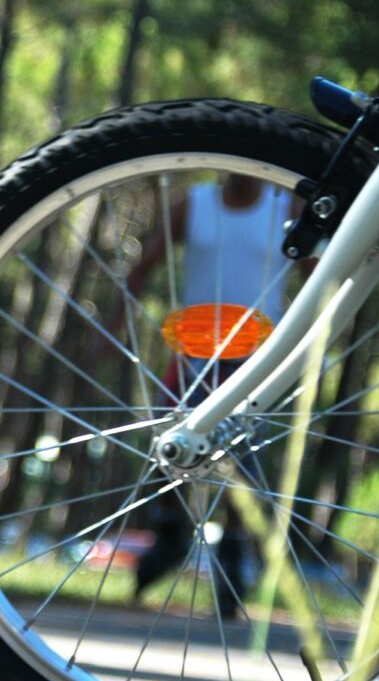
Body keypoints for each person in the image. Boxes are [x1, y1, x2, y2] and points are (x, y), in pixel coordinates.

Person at [122, 175, 294, 608]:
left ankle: (233, 559)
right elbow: (144, 267)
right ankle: (170, 535)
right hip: (195, 352)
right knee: (171, 445)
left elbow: (323, 274)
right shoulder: (193, 204)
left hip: (257, 355)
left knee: (243, 462)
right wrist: (112, 329)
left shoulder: (284, 209)